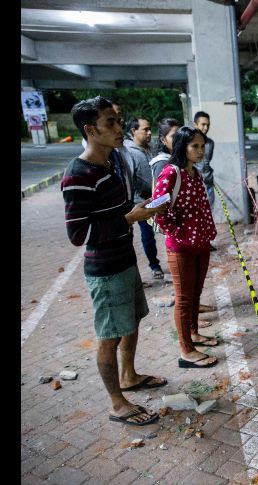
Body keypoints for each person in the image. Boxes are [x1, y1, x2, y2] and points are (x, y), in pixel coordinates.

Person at [61, 96, 169, 426]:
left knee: (131, 322)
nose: (119, 127)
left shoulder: (114, 162)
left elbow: (120, 210)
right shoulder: (77, 175)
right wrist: (129, 219)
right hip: (105, 270)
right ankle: (117, 403)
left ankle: (130, 375)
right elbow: (78, 234)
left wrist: (145, 206)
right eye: (111, 123)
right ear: (91, 130)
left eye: (118, 120)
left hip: (125, 259)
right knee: (110, 335)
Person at [153, 126, 219, 368]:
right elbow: (158, 209)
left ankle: (194, 333)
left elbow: (203, 207)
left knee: (195, 293)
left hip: (201, 243)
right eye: (195, 146)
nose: (201, 151)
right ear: (182, 147)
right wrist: (176, 231)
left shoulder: (195, 174)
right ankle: (187, 351)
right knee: (183, 298)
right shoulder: (171, 174)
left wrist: (205, 233)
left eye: (202, 146)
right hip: (181, 247)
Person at [122, 117, 164, 279]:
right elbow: (131, 179)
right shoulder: (129, 153)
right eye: (145, 129)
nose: (148, 133)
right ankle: (154, 265)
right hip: (142, 203)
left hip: (157, 199)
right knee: (148, 235)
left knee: (165, 229)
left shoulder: (151, 149)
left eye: (149, 129)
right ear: (134, 131)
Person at [192, 111, 217, 252]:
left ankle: (206, 242)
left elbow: (206, 162)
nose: (205, 128)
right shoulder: (188, 142)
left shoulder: (210, 143)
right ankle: (196, 243)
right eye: (203, 124)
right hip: (194, 184)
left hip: (208, 182)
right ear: (195, 124)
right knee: (195, 215)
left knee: (208, 214)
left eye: (208, 125)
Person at [149, 118, 181, 183]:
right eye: (174, 136)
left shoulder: (178, 158)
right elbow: (160, 191)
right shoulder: (161, 163)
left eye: (180, 135)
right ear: (163, 140)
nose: (179, 139)